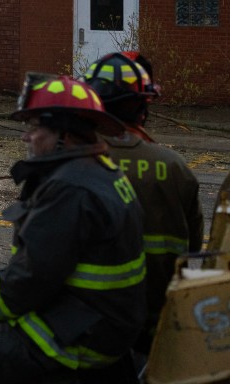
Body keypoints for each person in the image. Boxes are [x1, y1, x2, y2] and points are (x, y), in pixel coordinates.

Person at [0, 74, 146, 384]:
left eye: (35, 127)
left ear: (65, 134)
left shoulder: (69, 188)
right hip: (101, 319)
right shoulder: (100, 171)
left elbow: (31, 277)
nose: (27, 137)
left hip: (86, 336)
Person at [85, 51, 203, 353]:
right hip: (158, 327)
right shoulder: (176, 168)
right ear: (142, 106)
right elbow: (193, 248)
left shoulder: (74, 163)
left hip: (89, 328)